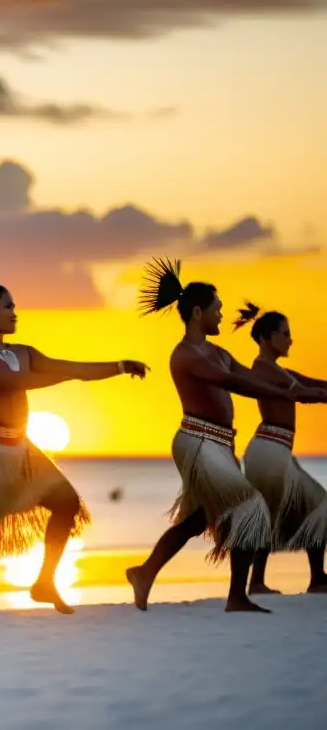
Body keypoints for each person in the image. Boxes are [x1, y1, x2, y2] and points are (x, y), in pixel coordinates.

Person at [0, 258, 149, 614]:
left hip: (20, 447)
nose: (15, 312)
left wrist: (118, 367)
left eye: (15, 305)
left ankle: (44, 581)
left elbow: (71, 366)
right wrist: (66, 376)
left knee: (66, 504)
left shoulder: (23, 352)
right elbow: (15, 381)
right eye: (8, 306)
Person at [126, 259, 322, 613]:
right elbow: (232, 381)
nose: (221, 316)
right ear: (198, 312)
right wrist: (288, 392)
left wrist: (292, 389)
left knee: (197, 520)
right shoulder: (185, 355)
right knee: (250, 507)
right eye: (217, 309)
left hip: (219, 443)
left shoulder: (218, 352)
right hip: (198, 441)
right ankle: (237, 597)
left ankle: (144, 573)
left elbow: (251, 378)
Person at [233, 303, 327, 594]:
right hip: (268, 450)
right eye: (285, 334)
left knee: (314, 507)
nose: (290, 339)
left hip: (277, 451)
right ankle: (259, 582)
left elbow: (310, 383)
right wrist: (321, 395)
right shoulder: (261, 370)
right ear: (266, 338)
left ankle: (314, 578)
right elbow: (301, 393)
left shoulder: (278, 370)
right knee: (287, 511)